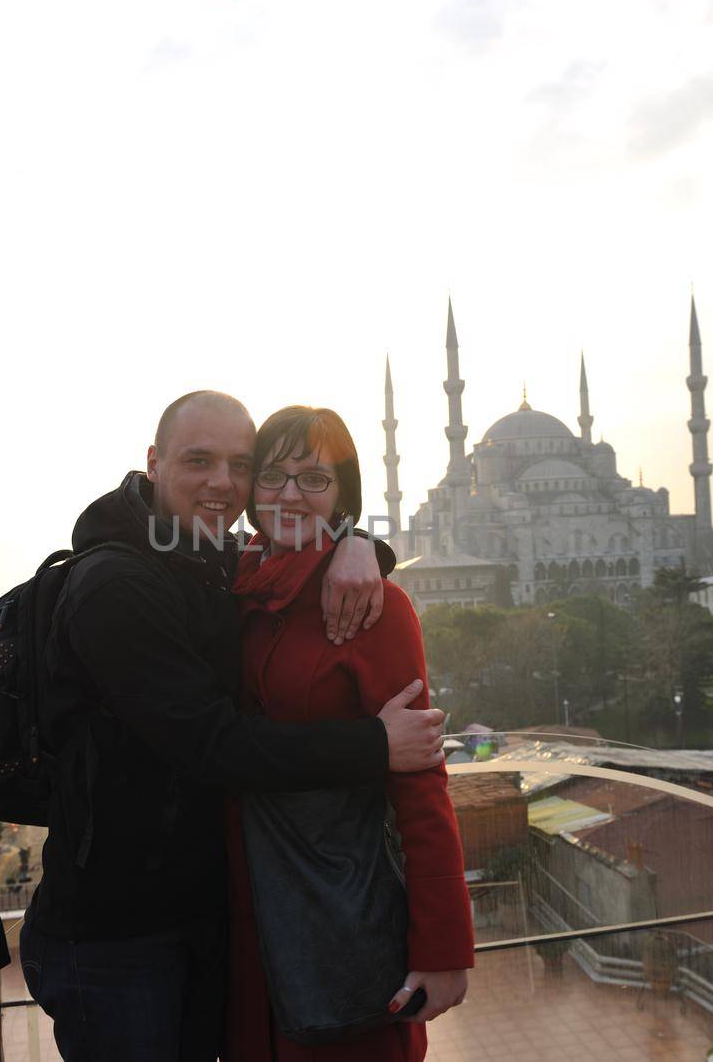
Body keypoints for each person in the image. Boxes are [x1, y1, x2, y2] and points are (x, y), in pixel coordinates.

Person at [21, 391, 447, 1062]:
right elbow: (213, 742)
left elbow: (423, 794)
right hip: (119, 938)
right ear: (155, 463)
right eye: (200, 460)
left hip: (241, 920)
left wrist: (360, 544)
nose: (224, 481)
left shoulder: (224, 567)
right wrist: (376, 744)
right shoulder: (119, 586)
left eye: (239, 464)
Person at [224, 406, 473, 1062]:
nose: (288, 494)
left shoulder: (373, 608)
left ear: (345, 495)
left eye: (314, 478)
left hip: (340, 922)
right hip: (249, 923)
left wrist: (444, 952)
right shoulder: (238, 586)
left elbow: (421, 790)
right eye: (273, 475)